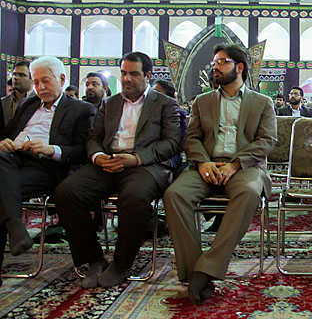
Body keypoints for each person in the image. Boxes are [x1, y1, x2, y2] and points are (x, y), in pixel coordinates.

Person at [54, 52, 181, 289]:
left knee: (133, 197)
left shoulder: (165, 104)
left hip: (144, 166)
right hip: (109, 163)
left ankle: (121, 264)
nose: (126, 79)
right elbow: (94, 137)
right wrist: (98, 156)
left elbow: (172, 143)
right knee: (66, 192)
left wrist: (135, 159)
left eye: (134, 74)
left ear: (148, 76)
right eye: (123, 73)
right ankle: (94, 258)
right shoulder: (110, 103)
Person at [164, 44, 276, 304]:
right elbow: (192, 138)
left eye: (222, 62)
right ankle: (195, 270)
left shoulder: (262, 103)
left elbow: (266, 141)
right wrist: (203, 163)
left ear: (240, 67)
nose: (215, 66)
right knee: (175, 194)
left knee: (248, 193)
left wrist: (234, 165)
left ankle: (206, 269)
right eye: (214, 62)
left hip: (244, 168)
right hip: (207, 166)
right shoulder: (203, 102)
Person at [0, 57, 94, 271]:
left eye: (46, 81)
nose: (40, 87)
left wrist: (52, 149)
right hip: (12, 159)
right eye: (36, 82)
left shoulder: (81, 110)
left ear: (61, 79)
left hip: (45, 166)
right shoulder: (28, 104)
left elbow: (82, 151)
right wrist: (4, 142)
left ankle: (15, 227)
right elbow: (9, 133)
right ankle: (15, 225)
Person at [1, 61, 35, 127]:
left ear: (32, 79)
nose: (15, 77)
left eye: (21, 75)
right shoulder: (3, 102)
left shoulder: (40, 102)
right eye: (14, 74)